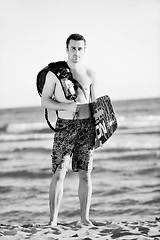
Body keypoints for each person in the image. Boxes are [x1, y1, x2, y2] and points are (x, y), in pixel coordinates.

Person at [41, 33, 96, 227]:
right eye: (73, 48)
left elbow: (95, 105)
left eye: (80, 48)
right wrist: (66, 107)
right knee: (59, 173)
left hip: (87, 128)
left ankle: (85, 219)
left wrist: (99, 131)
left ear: (84, 50)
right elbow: (45, 100)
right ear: (67, 49)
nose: (76, 52)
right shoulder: (55, 73)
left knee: (85, 174)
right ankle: (53, 220)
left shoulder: (90, 74)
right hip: (65, 127)